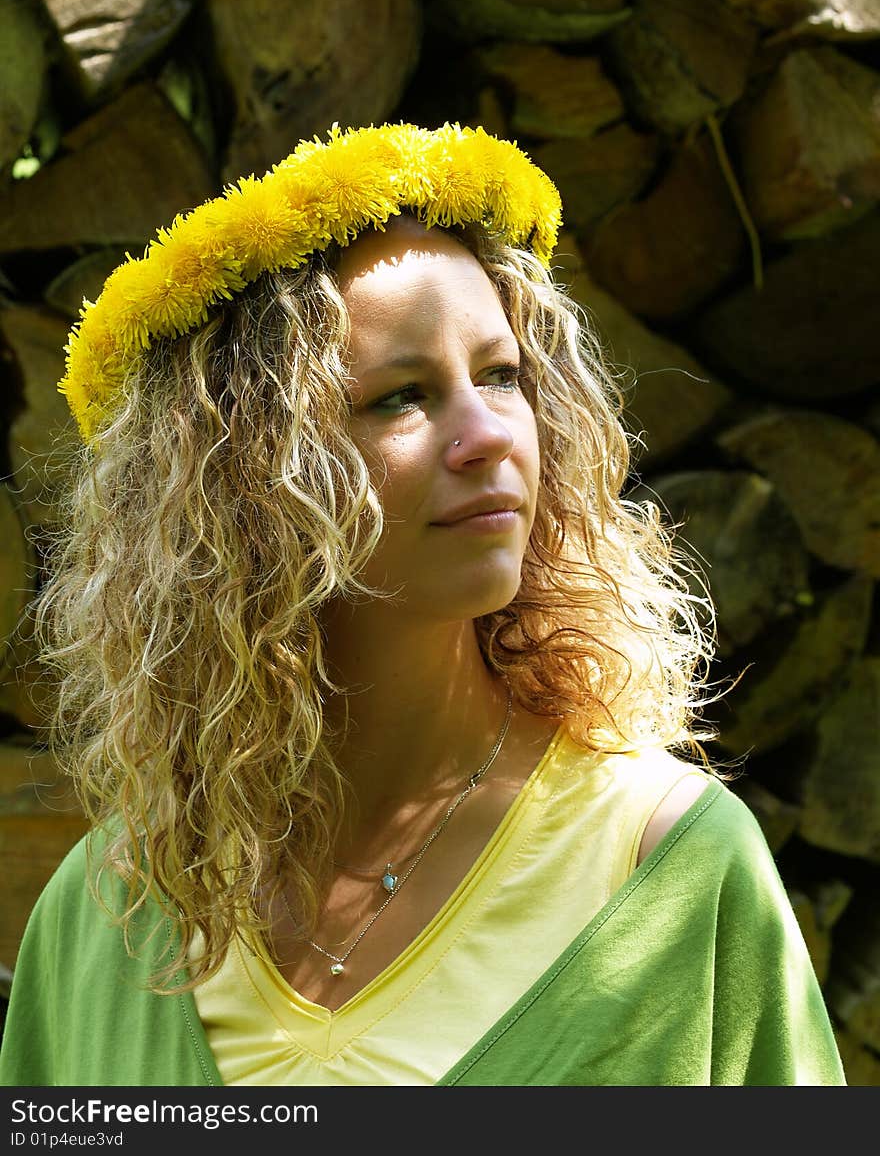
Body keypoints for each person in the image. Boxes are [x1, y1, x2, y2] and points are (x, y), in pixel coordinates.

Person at [0, 122, 845, 1087]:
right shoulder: (107, 916)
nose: (488, 433)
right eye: (402, 395)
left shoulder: (666, 869)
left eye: (502, 375)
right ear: (237, 485)